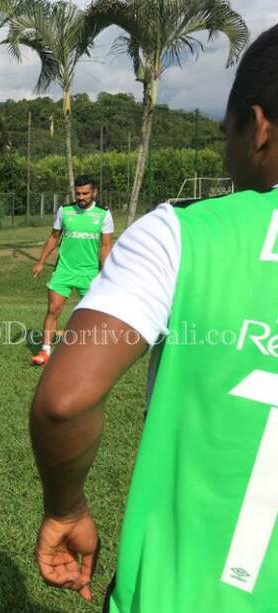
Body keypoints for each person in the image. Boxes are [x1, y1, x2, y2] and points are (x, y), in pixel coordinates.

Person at [30, 24, 278, 612]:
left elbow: (65, 400)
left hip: (183, 593)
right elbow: (55, 237)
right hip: (82, 285)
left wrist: (65, 507)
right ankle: (43, 341)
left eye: (226, 135)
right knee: (53, 309)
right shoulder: (71, 213)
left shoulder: (185, 232)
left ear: (258, 126)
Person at [31, 177, 113, 366]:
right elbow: (53, 238)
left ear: (94, 193)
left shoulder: (103, 214)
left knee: (92, 315)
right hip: (64, 271)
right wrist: (41, 262)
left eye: (85, 193)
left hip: (89, 273)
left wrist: (106, 272)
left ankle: (90, 352)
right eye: (78, 193)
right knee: (53, 310)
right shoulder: (65, 211)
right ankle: (45, 351)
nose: (81, 197)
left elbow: (106, 245)